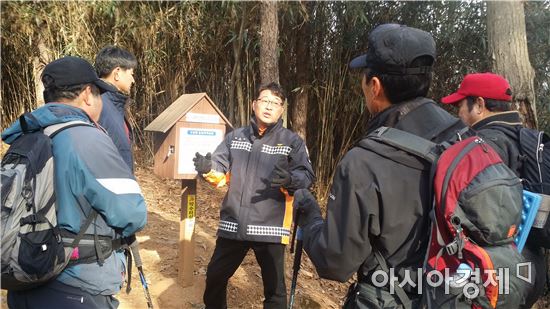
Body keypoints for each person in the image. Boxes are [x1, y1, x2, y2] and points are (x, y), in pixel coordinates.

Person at [292, 23, 465, 308]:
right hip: (453, 294)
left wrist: (310, 217)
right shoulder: (465, 136)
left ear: (375, 87)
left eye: (363, 78)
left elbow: (335, 262)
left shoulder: (365, 162)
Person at [2, 56, 147, 308]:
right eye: (99, 94)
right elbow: (132, 214)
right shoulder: (88, 139)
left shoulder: (27, 135)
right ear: (88, 94)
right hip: (76, 285)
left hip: (25, 277)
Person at [193, 82, 315, 309]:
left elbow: (306, 176)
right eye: (265, 101)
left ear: (281, 110)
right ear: (254, 104)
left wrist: (290, 181)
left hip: (270, 227)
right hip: (234, 224)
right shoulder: (235, 137)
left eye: (275, 103)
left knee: (275, 291)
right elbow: (220, 170)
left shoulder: (292, 142)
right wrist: (207, 168)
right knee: (215, 278)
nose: (269, 107)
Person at [440, 72, 547, 309]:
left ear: (479, 104)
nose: (458, 112)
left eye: (460, 104)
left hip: (495, 269)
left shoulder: (482, 146)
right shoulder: (528, 139)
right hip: (531, 265)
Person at [95, 45, 137, 171]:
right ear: (117, 73)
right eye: (131, 74)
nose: (133, 80)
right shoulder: (100, 105)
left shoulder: (111, 103)